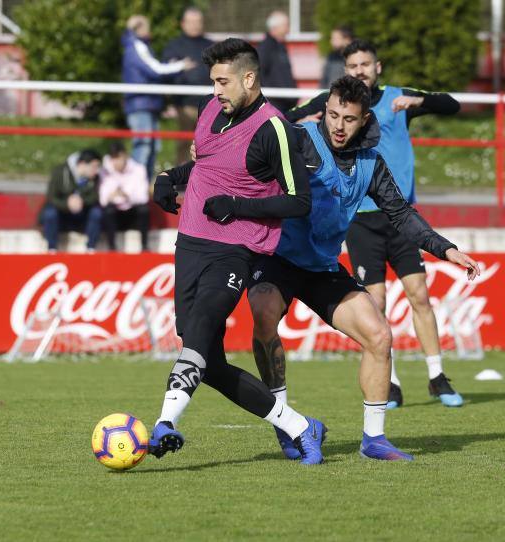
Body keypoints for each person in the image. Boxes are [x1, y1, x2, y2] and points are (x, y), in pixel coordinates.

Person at [248, 76, 480, 461]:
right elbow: (245, 158)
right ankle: (286, 422)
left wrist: (445, 249)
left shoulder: (371, 162)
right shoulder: (300, 139)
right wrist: (192, 167)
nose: (339, 126)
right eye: (334, 115)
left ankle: (373, 439)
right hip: (277, 258)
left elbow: (401, 213)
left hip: (322, 266)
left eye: (349, 119)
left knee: (380, 335)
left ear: (364, 119)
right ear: (325, 109)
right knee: (263, 313)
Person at [148, 39, 326, 465]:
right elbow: (209, 163)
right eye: (213, 81)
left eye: (222, 81)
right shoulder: (212, 110)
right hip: (190, 243)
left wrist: (237, 207)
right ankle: (300, 426)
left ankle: (165, 423)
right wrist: (168, 176)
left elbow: (299, 201)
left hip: (235, 251)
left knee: (204, 322)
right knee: (206, 360)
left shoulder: (275, 128)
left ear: (249, 78)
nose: (215, 90)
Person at [285, 39, 463, 409]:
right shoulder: (332, 102)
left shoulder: (398, 98)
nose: (360, 70)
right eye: (353, 65)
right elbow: (283, 120)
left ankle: (437, 376)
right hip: (359, 218)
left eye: (366, 64)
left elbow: (453, 104)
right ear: (345, 71)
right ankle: (392, 382)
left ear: (377, 67)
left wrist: (420, 102)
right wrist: (299, 126)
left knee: (419, 294)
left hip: (399, 213)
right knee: (376, 301)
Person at [122, 15, 195, 180]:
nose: (149, 30)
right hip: (141, 104)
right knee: (143, 147)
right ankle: (137, 189)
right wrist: (181, 65)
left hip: (147, 104)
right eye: (147, 26)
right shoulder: (136, 46)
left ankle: (144, 187)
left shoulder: (140, 46)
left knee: (152, 147)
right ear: (139, 28)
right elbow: (155, 70)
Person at [161, 6, 214, 164]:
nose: (195, 25)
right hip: (184, 105)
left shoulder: (212, 46)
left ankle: (208, 180)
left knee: (209, 144)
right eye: (191, 22)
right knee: (184, 143)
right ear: (183, 23)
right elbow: (166, 73)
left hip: (210, 106)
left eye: (198, 21)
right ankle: (181, 179)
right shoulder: (173, 46)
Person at [39, 149, 102, 252]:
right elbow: (51, 197)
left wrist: (81, 201)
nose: (97, 170)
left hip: (82, 215)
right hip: (62, 215)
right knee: (50, 213)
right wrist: (67, 204)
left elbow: (95, 197)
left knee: (97, 212)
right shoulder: (60, 172)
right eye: (94, 166)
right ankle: (52, 249)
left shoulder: (95, 178)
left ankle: (91, 249)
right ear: (82, 164)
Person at [99, 142, 151, 252]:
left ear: (124, 156)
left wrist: (123, 194)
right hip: (115, 216)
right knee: (108, 210)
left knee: (144, 210)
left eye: (117, 158)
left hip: (133, 215)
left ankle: (144, 247)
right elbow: (103, 199)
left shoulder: (139, 169)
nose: (115, 162)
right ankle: (112, 249)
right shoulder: (105, 171)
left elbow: (143, 198)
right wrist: (124, 196)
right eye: (113, 158)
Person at [256, 10, 297, 113]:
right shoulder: (266, 47)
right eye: (286, 26)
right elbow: (258, 74)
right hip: (274, 106)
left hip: (285, 105)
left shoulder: (280, 47)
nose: (288, 30)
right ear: (275, 27)